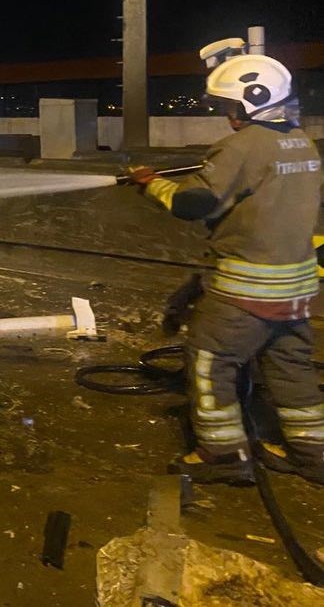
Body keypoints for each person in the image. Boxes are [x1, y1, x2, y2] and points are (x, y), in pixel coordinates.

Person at [129, 53, 324, 485]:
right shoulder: (301, 141)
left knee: (209, 359)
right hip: (297, 289)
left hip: (248, 290)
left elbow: (191, 203)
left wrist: (150, 184)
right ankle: (313, 456)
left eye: (230, 106)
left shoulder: (242, 145)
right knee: (291, 369)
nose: (227, 115)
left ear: (253, 100)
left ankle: (223, 455)